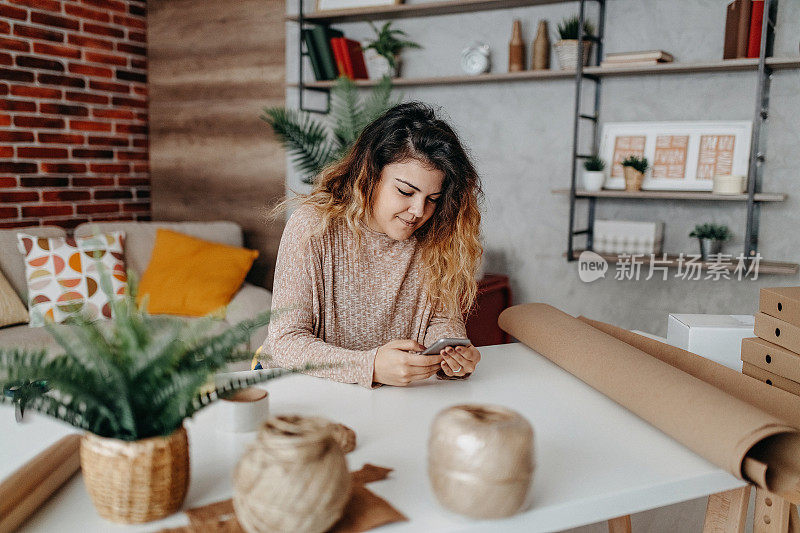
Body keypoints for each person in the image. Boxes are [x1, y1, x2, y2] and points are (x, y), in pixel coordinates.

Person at [259, 101, 484, 388]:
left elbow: (439, 319)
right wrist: (370, 366)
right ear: (369, 176)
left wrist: (450, 354)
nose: (418, 210)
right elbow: (285, 342)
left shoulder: (438, 234)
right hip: (298, 386)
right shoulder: (313, 225)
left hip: (384, 397)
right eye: (405, 191)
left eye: (432, 199)